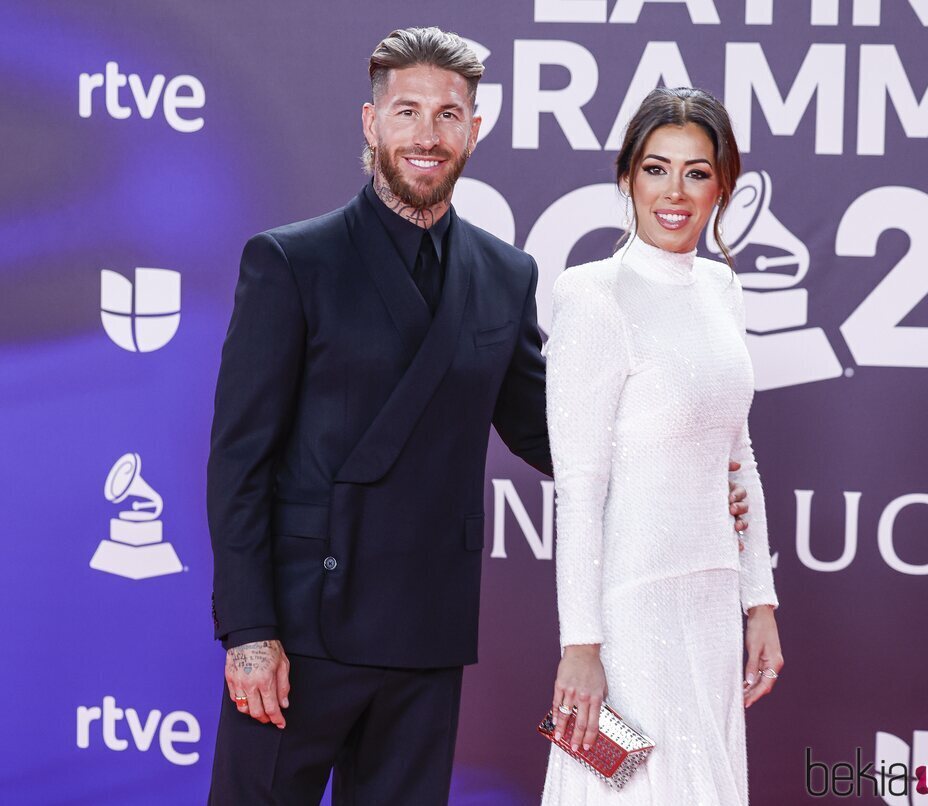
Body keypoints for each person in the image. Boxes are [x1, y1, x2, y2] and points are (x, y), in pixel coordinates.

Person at [206, 26, 751, 804]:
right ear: (372, 125)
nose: (428, 135)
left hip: (427, 631)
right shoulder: (292, 262)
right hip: (299, 632)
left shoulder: (504, 273)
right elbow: (239, 461)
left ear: (476, 128)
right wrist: (249, 633)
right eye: (408, 112)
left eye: (449, 115)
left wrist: (685, 480)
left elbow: (558, 431)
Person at [541, 87, 783, 805]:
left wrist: (760, 602)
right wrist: (581, 647)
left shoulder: (720, 288)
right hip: (630, 616)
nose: (673, 193)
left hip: (710, 601)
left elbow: (741, 458)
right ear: (627, 177)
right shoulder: (593, 295)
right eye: (656, 169)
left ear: (723, 187)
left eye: (696, 172)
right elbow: (579, 487)